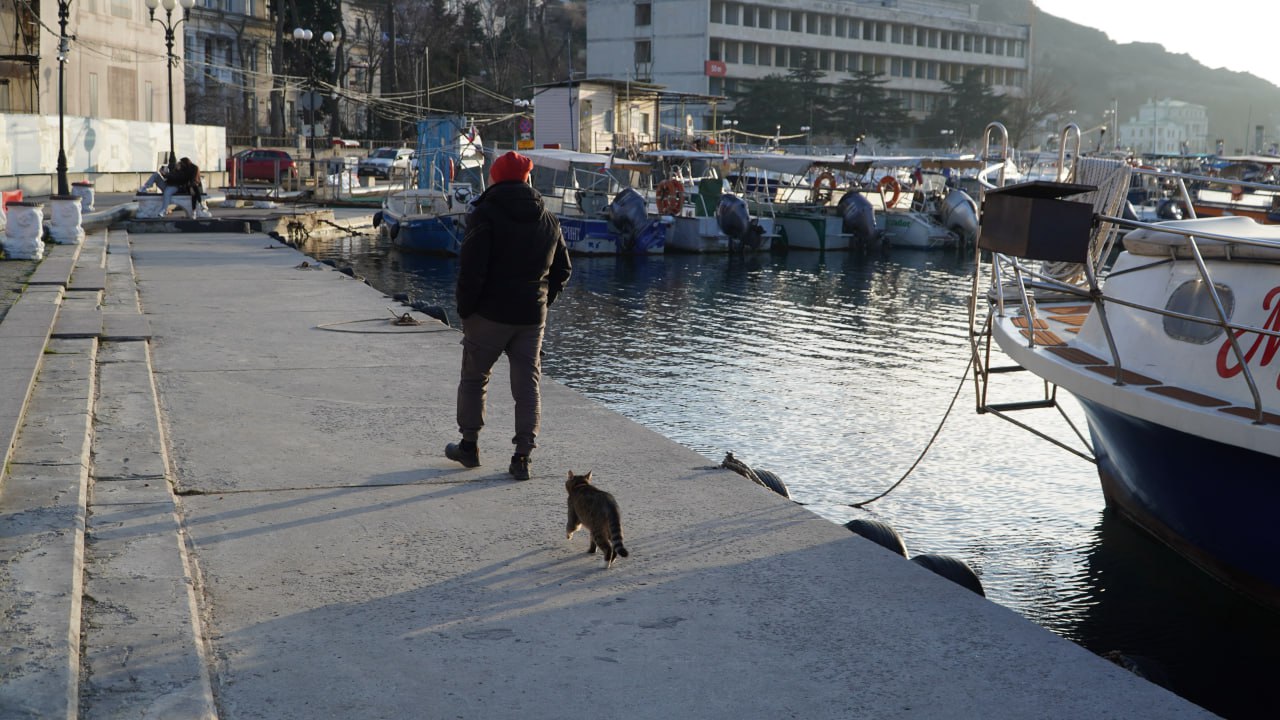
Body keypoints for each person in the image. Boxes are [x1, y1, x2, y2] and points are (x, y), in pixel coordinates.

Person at [445, 151, 571, 481]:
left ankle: (469, 448)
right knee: (527, 387)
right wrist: (544, 300)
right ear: (528, 179)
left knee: (474, 379)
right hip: (531, 317)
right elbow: (563, 269)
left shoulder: (484, 214)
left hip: (488, 314)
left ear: (495, 179)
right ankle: (522, 458)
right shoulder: (548, 218)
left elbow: (471, 271)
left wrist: (466, 312)